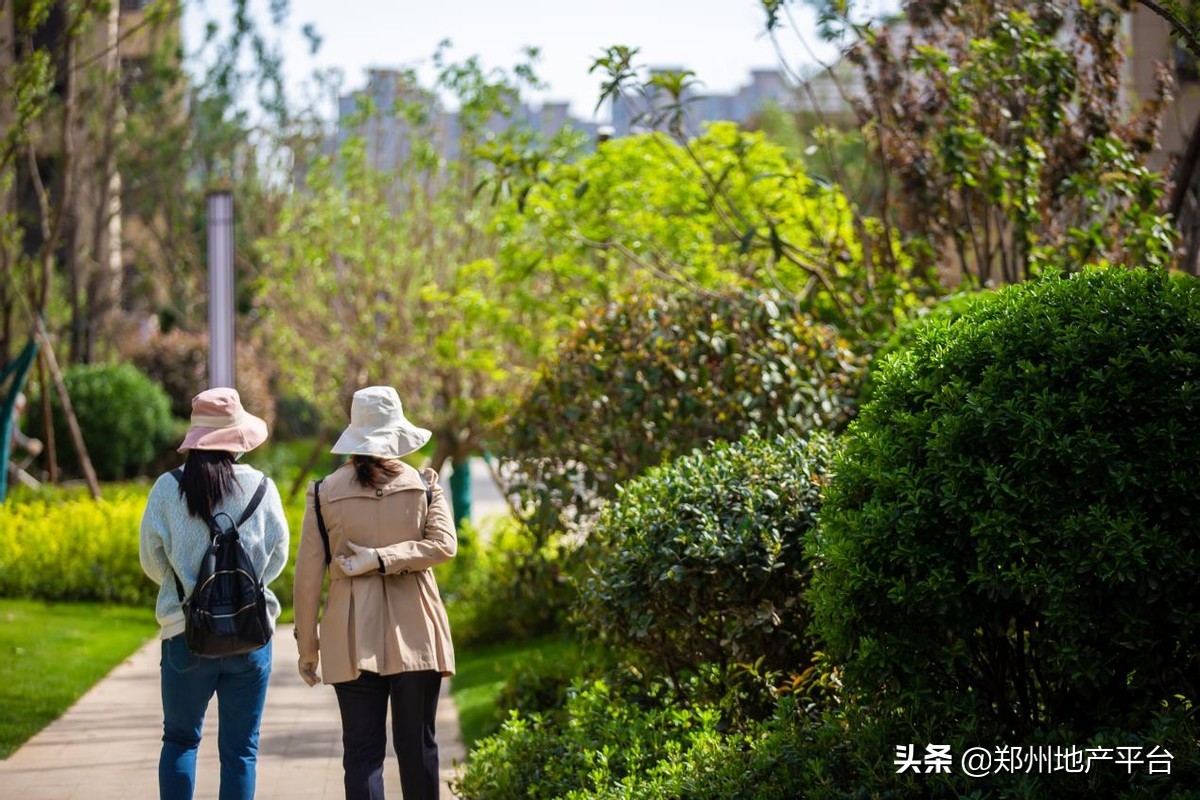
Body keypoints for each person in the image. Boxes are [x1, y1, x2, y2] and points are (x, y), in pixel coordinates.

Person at [293, 385, 457, 800]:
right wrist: (387, 558)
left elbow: (308, 577)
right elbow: (444, 546)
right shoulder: (423, 484)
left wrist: (308, 647)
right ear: (397, 431)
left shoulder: (323, 492)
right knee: (418, 749)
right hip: (416, 632)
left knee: (362, 753)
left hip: (351, 635)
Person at [139, 387, 289, 800]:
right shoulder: (262, 487)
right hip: (250, 635)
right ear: (238, 438)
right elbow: (277, 557)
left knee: (180, 740)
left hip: (185, 635)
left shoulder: (167, 489)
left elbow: (151, 561)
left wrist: (182, 586)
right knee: (241, 752)